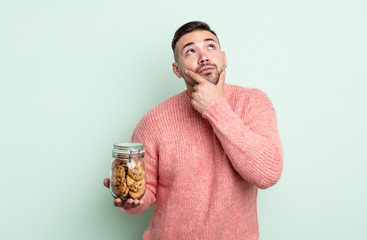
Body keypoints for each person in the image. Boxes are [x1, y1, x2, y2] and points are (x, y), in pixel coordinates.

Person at [104, 21, 283, 239]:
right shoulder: (154, 120)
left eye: (210, 47)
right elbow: (145, 190)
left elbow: (268, 174)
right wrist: (131, 202)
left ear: (224, 58)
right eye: (190, 51)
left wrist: (214, 108)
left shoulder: (254, 102)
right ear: (177, 70)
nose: (204, 57)